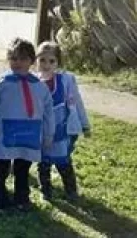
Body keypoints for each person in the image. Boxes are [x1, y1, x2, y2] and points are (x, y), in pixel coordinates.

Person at [0, 38, 55, 211]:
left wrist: (48, 134)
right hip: (4, 133)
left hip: (28, 134)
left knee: (22, 168)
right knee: (1, 168)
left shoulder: (40, 87)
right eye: (13, 58)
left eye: (22, 59)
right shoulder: (0, 83)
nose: (18, 63)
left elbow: (48, 112)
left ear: (31, 61)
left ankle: (22, 197)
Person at [35, 41, 90, 202]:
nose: (46, 64)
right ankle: (46, 191)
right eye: (42, 60)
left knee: (64, 162)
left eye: (51, 61)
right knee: (43, 164)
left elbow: (77, 103)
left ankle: (71, 190)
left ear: (58, 63)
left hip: (61, 131)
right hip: (42, 133)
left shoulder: (65, 81)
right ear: (36, 60)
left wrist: (84, 124)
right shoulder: (33, 82)